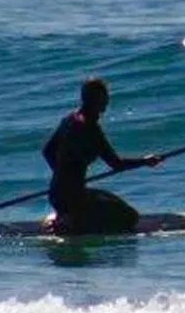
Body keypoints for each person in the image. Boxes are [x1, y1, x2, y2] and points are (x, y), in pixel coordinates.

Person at [42, 77, 162, 234]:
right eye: (104, 98)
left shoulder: (69, 119)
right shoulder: (90, 129)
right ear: (95, 101)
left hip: (56, 194)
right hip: (73, 198)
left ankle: (64, 215)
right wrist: (145, 161)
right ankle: (68, 222)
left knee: (110, 200)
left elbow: (47, 151)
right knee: (129, 217)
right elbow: (116, 164)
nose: (107, 102)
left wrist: (63, 176)